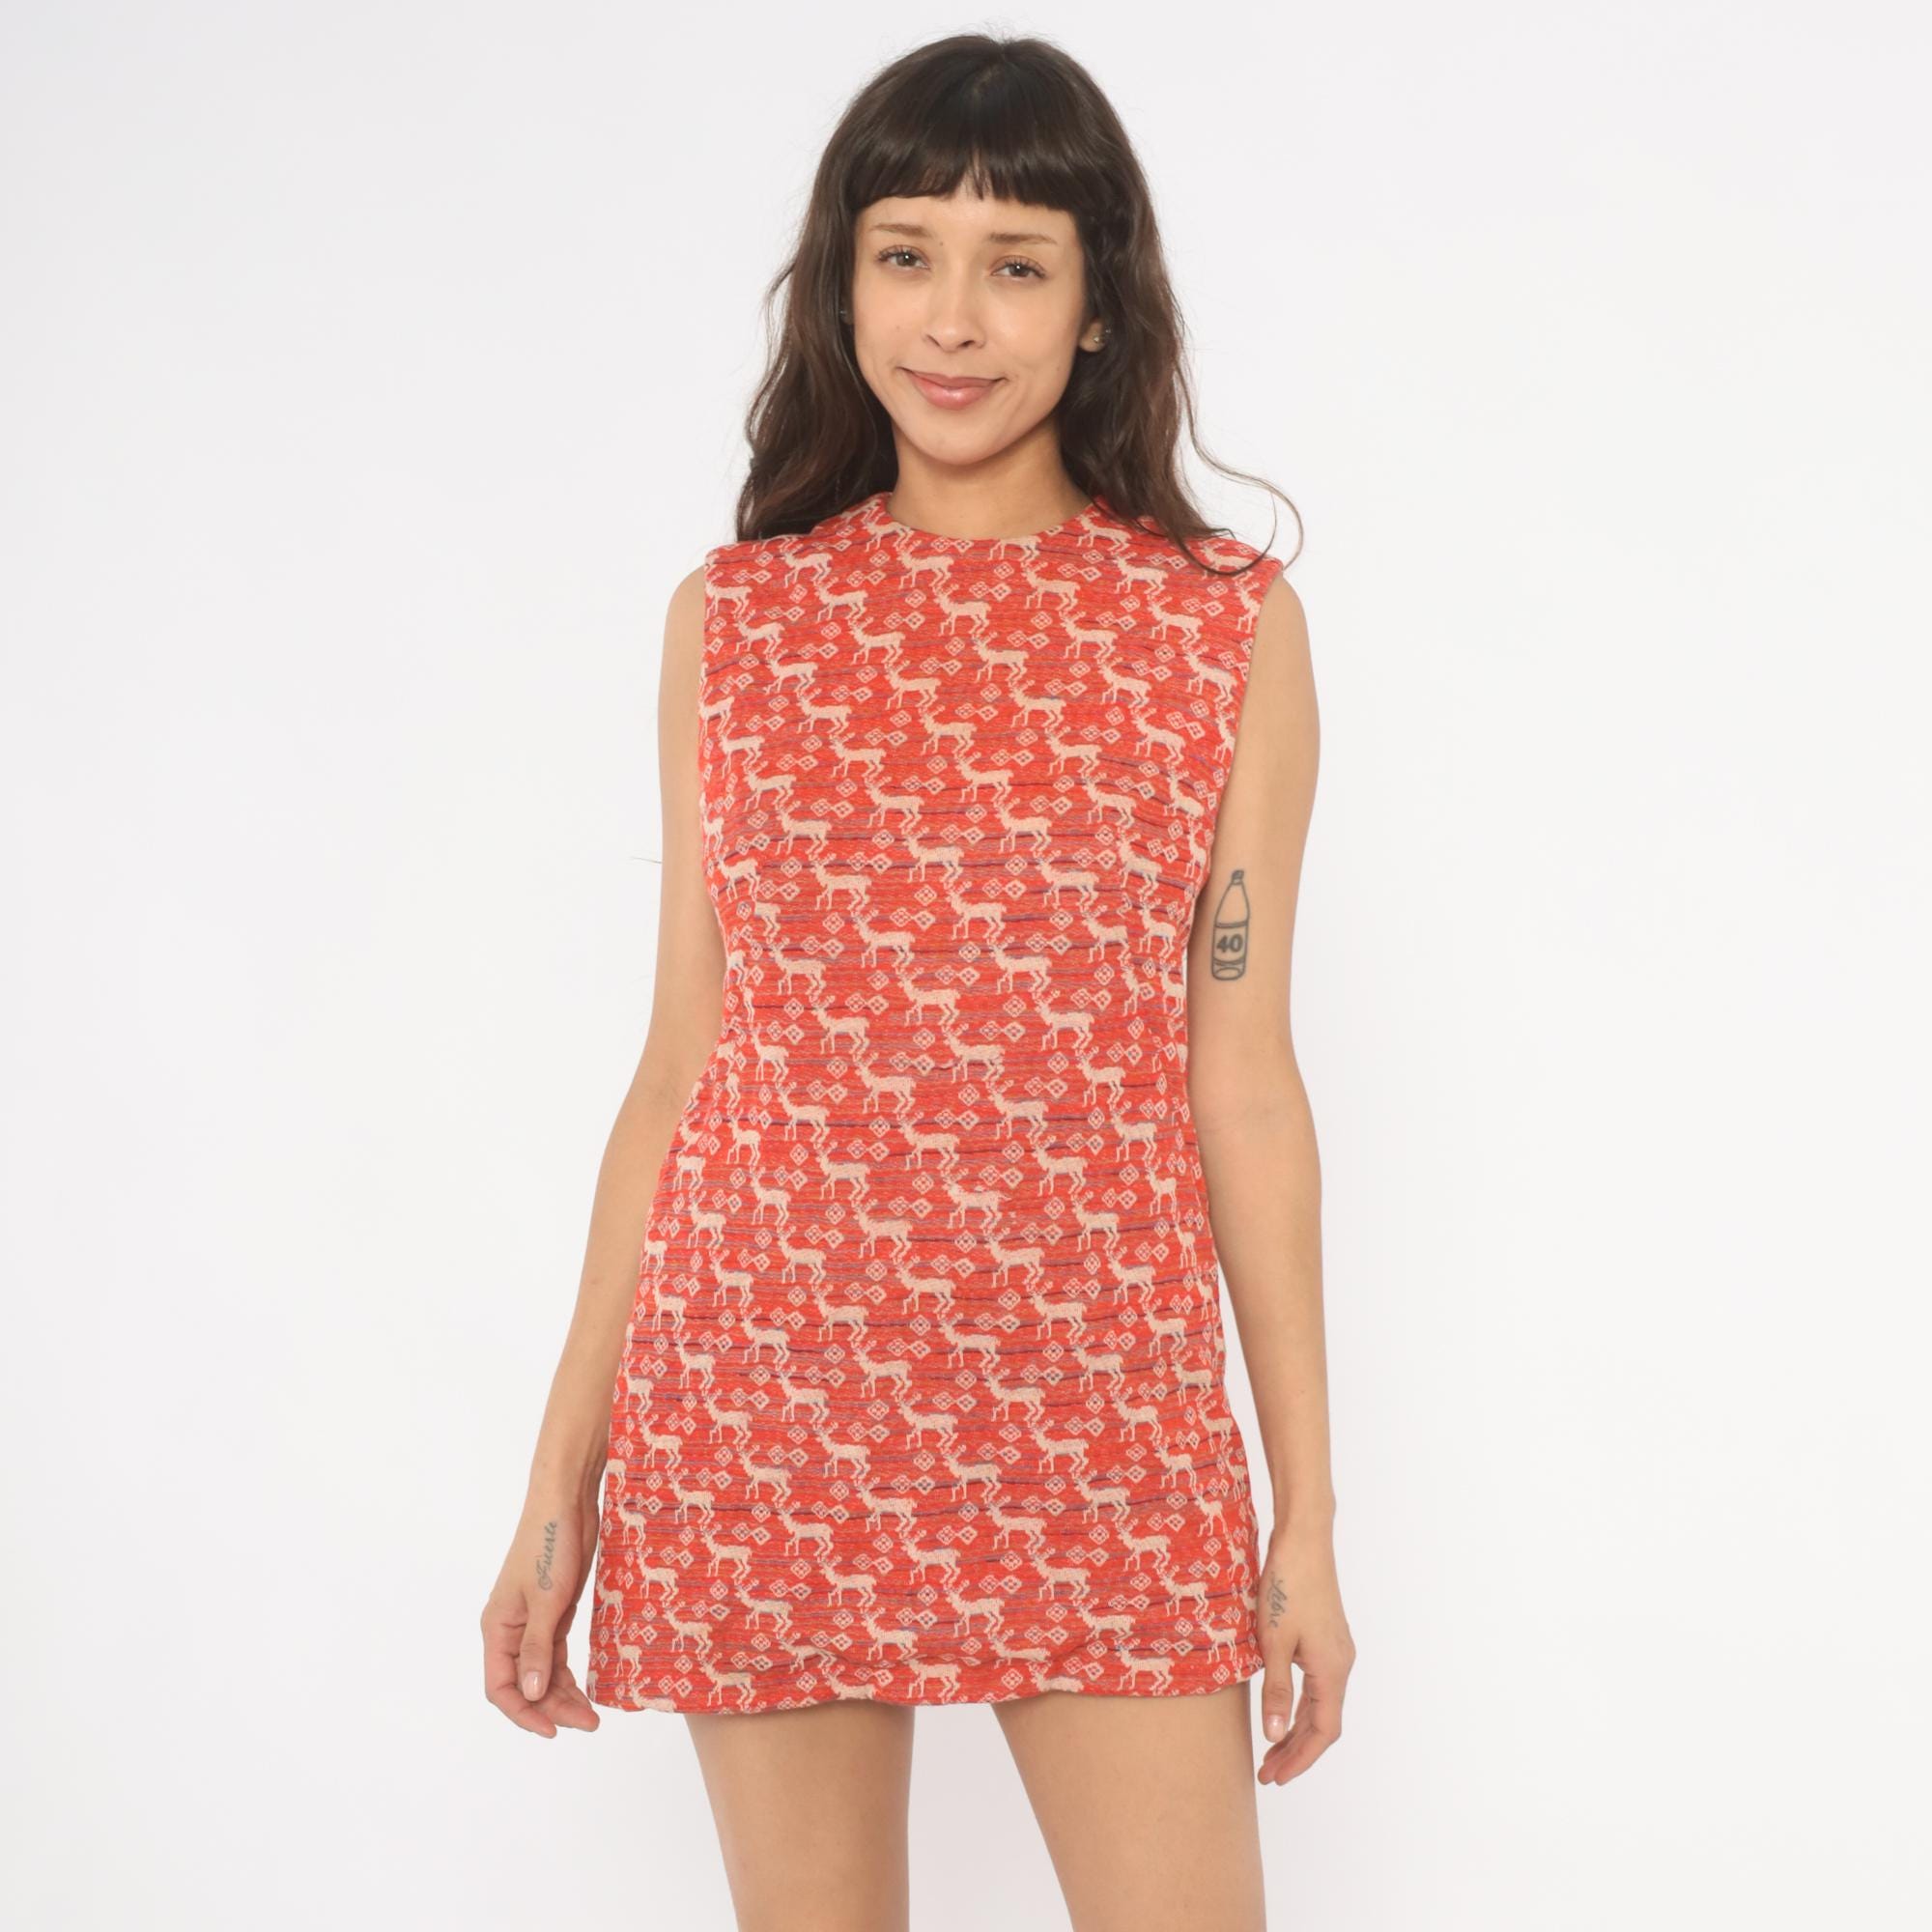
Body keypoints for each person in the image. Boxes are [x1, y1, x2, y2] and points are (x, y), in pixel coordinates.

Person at [482, 31, 1350, 1928]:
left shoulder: (1221, 629)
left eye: (1015, 263)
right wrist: (563, 1479)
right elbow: (683, 1067)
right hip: (767, 1399)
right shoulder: (738, 625)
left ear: (1100, 307)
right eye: (904, 255)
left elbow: (1243, 1081)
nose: (952, 318)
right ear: (842, 283)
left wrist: (1306, 1511)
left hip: (1103, 1416)